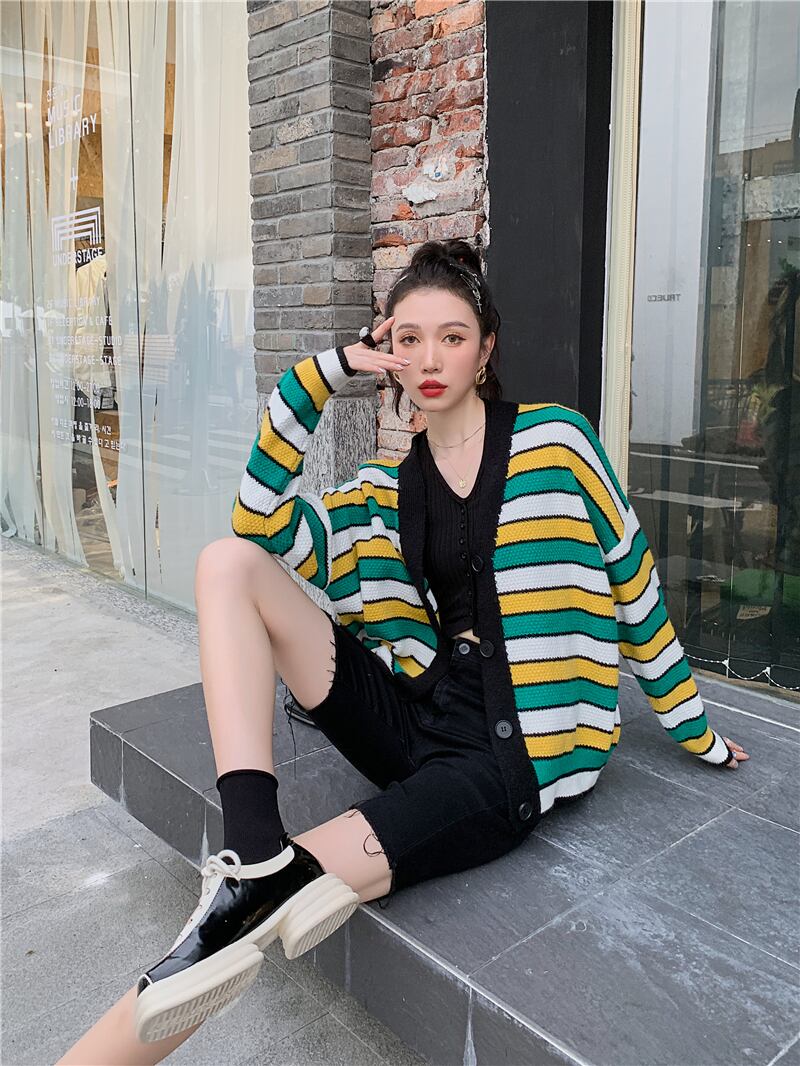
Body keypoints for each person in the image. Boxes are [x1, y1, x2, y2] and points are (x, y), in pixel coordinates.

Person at [58, 239, 749, 1065]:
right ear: (386, 351)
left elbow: (634, 581)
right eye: (409, 338)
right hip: (415, 716)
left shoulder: (558, 444)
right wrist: (325, 374)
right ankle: (251, 841)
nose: (429, 359)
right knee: (226, 563)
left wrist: (693, 728)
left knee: (245, 922)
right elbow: (257, 520)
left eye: (452, 337)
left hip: (501, 761)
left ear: (486, 349)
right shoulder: (385, 494)